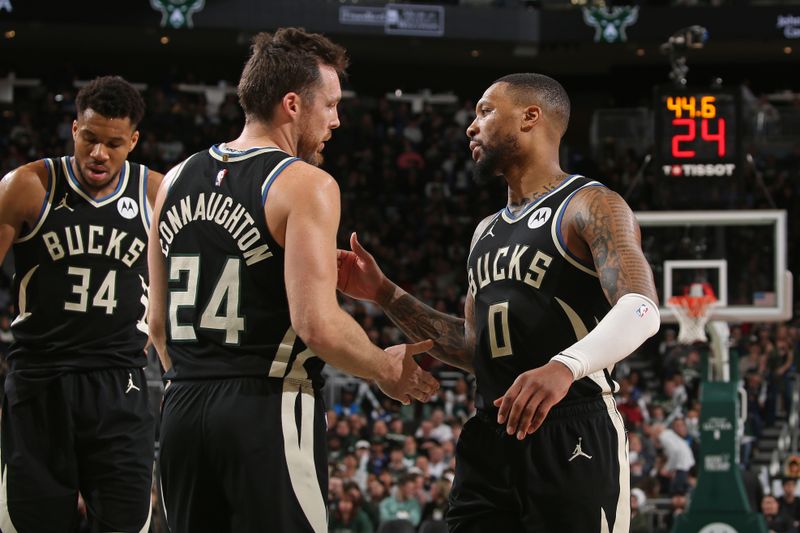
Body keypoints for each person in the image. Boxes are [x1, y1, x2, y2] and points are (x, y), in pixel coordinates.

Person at [337, 72, 660, 532]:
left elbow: (642, 309)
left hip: (571, 427)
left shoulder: (590, 204)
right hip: (491, 434)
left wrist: (564, 366)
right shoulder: (484, 230)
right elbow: (475, 349)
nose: (472, 126)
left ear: (531, 116)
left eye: (485, 111)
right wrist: (384, 293)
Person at [147, 27, 438, 533]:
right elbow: (317, 326)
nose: (337, 120)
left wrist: (201, 375)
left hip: (181, 406)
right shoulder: (305, 183)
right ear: (292, 104)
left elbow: (155, 324)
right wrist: (383, 368)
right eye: (330, 105)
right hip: (267, 406)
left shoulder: (172, 180)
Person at [0, 75, 163, 532]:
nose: (98, 154)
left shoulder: (156, 193)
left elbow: (187, 281)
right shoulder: (28, 185)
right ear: (74, 129)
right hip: (40, 380)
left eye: (113, 143)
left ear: (133, 141)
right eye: (90, 139)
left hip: (120, 383)